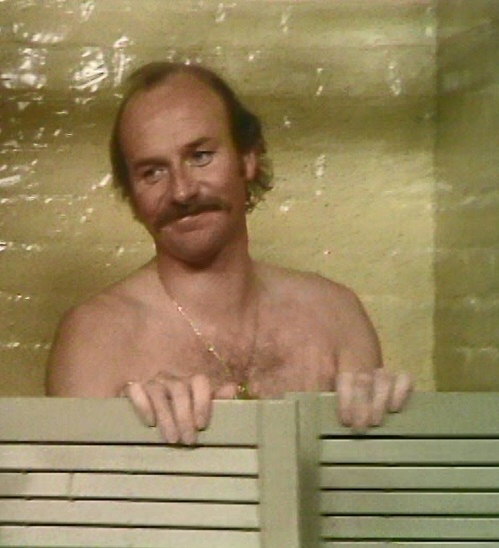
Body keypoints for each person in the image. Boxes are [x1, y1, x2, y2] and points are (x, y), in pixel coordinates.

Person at [46, 61, 413, 445]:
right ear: (132, 196)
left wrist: (392, 416)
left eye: (200, 156)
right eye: (152, 172)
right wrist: (127, 426)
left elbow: (362, 475)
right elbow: (77, 479)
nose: (182, 191)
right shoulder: (94, 339)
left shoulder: (335, 315)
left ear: (247, 159)